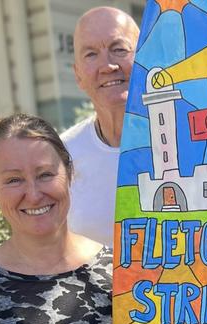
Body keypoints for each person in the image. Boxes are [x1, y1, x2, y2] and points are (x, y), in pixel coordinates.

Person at [0, 113, 113, 324]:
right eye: (13, 180)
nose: (33, 195)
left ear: (69, 173)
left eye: (45, 174)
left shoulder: (120, 274)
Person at [61, 6, 140, 247]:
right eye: (91, 54)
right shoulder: (61, 156)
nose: (107, 66)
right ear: (78, 76)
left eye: (119, 49)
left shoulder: (190, 143)